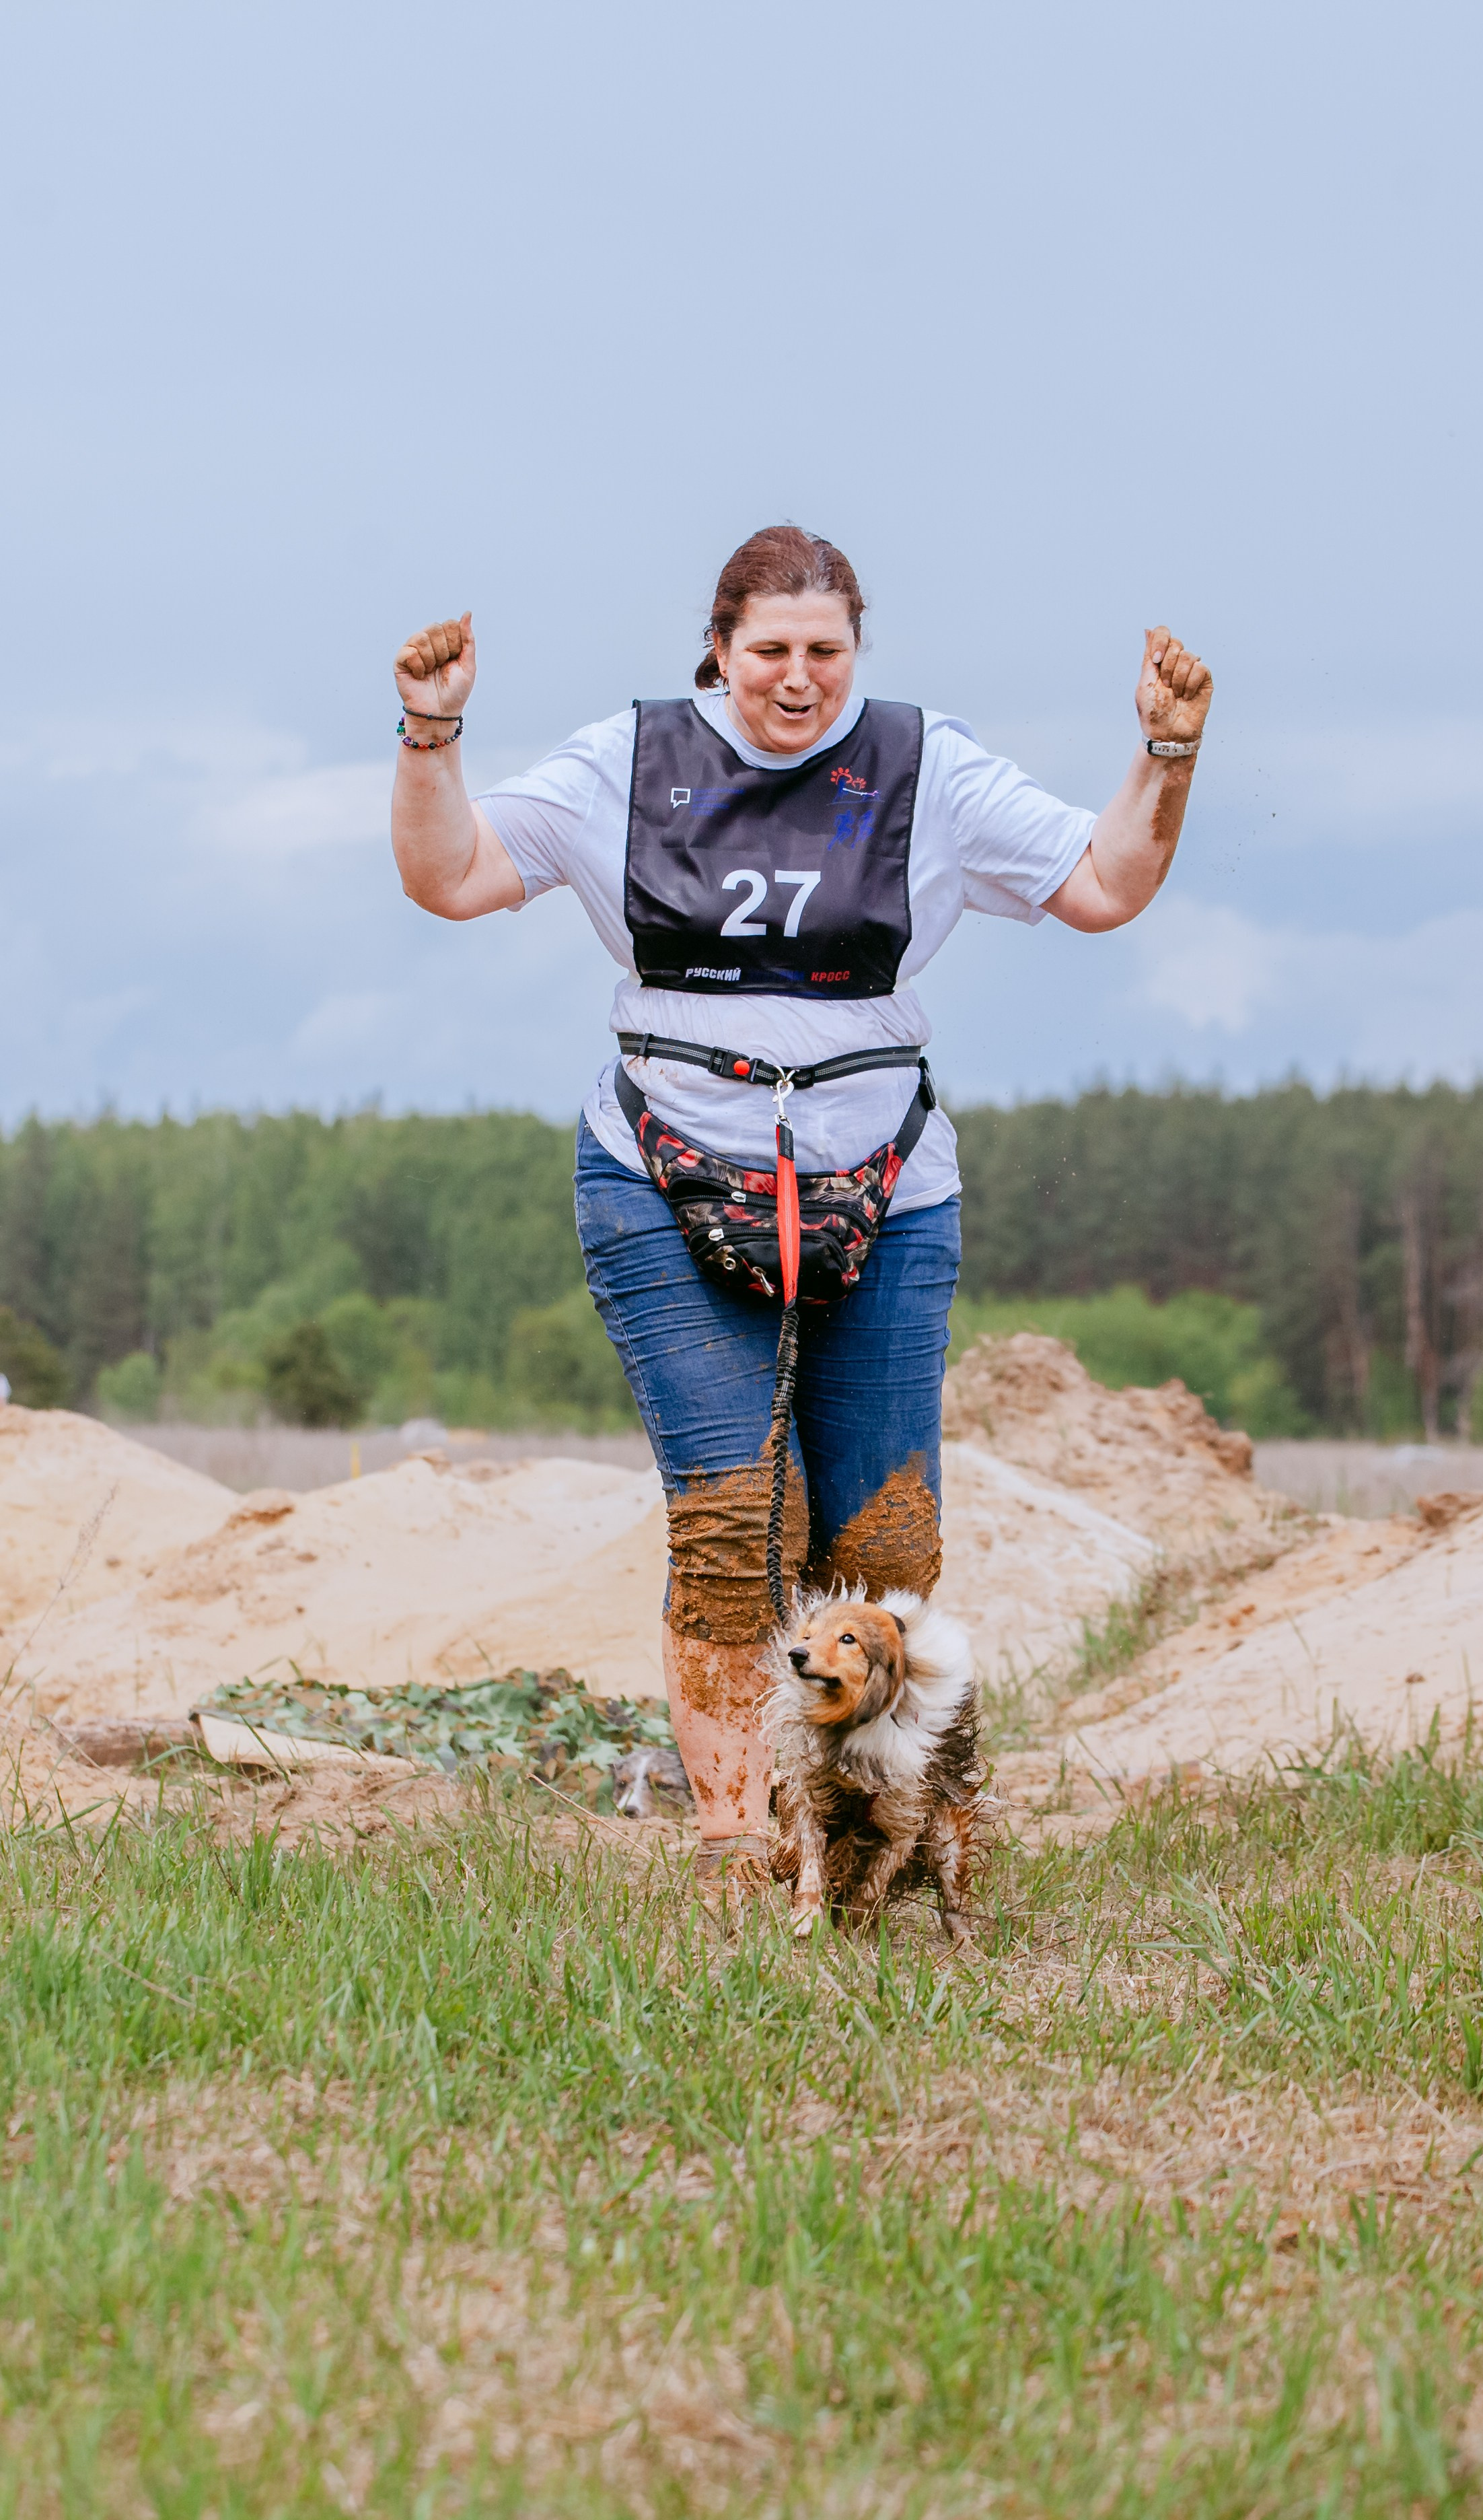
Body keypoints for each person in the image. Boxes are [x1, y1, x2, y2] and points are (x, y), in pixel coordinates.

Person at [390, 526, 1211, 1894]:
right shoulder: (631, 762)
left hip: (881, 1182)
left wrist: (1165, 753)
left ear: (857, 653)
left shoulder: (924, 764)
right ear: (718, 647)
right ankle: (729, 1845)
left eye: (825, 652)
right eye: (769, 650)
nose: (797, 678)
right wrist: (432, 734)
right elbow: (452, 877)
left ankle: (876, 1830)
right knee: (731, 1525)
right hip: (664, 1171)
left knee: (879, 1542)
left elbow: (1106, 885)